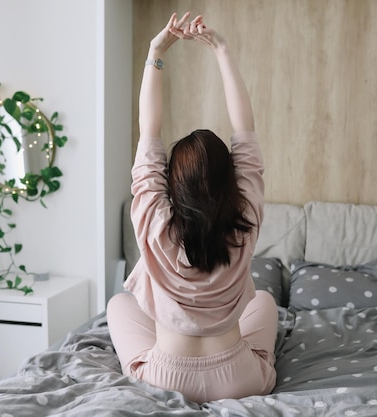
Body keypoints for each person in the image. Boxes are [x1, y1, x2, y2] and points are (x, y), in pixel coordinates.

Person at [106, 11, 277, 404]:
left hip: (166, 376)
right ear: (232, 178)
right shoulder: (246, 218)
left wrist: (156, 51)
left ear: (170, 183)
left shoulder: (153, 221)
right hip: (237, 377)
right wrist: (221, 49)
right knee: (264, 301)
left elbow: (149, 130)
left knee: (119, 304)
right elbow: (245, 131)